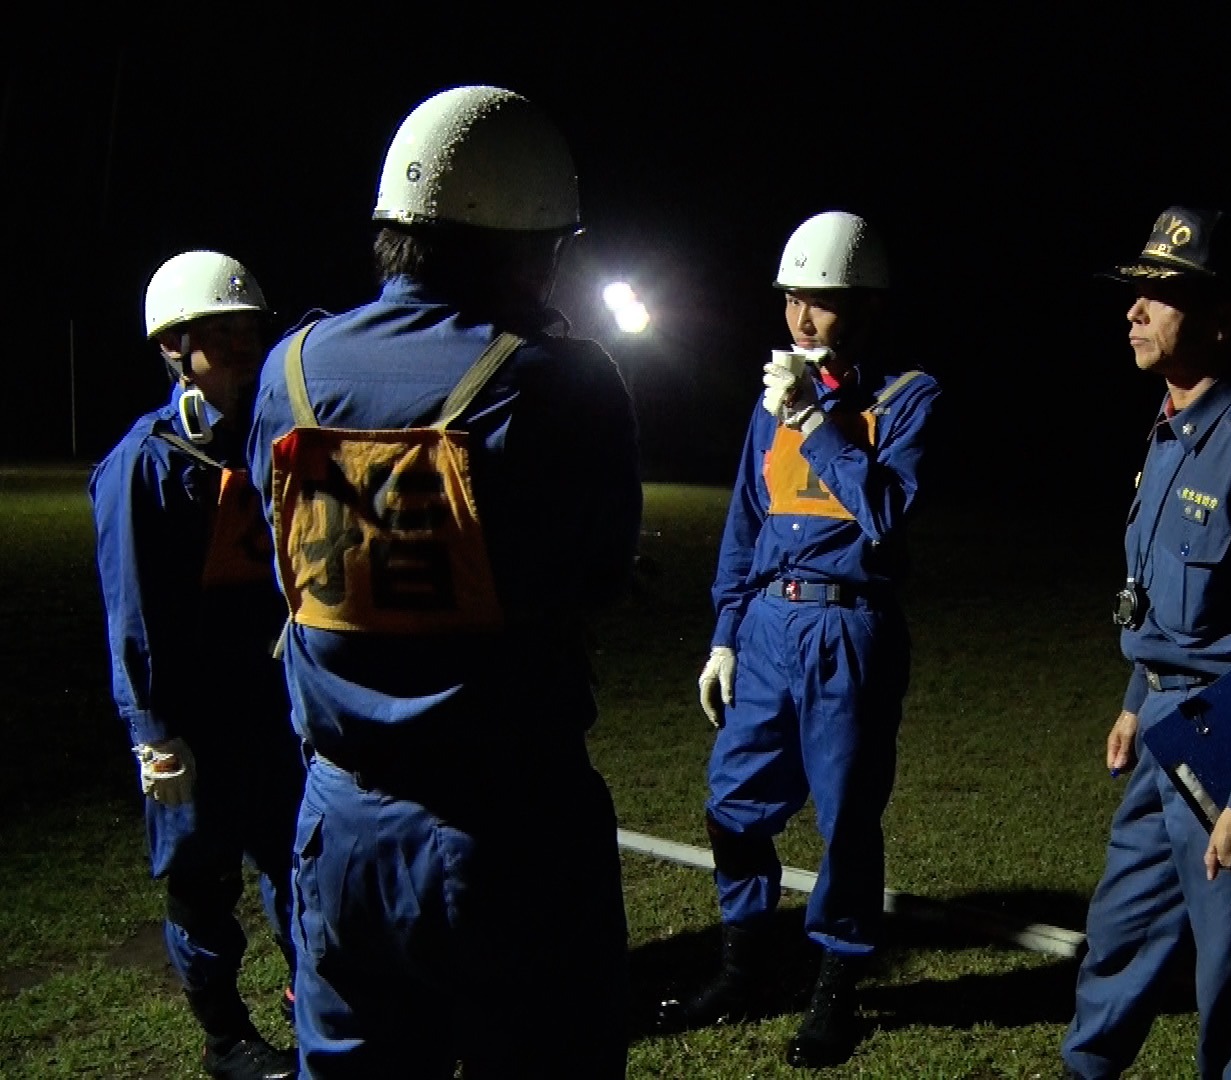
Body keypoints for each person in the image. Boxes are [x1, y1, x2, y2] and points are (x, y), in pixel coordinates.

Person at [246, 85, 641, 1078]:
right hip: (507, 830)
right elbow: (597, 572)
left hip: (338, 822)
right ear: (536, 241)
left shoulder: (289, 367)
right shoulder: (562, 380)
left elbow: (281, 554)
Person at [660, 210, 938, 1069]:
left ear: (864, 304)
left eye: (820, 302)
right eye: (792, 301)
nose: (801, 320)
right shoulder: (773, 397)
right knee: (732, 805)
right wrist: (725, 636)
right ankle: (746, 964)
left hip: (849, 626)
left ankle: (837, 984)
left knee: (848, 819)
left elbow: (887, 513)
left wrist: (818, 421)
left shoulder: (906, 396)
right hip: (773, 624)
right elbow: (747, 523)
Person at [1062, 208, 1231, 1079]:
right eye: (1135, 292)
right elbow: (1164, 606)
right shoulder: (1169, 429)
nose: (1135, 310)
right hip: (1165, 737)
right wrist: (1137, 705)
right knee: (1119, 935)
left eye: (1162, 294)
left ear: (1221, 316)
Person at [90, 250, 302, 1080]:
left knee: (298, 866)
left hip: (276, 703)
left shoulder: (277, 439)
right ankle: (225, 1037)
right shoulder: (143, 465)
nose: (248, 346)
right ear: (176, 344)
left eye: (254, 331)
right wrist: (153, 731)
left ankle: (310, 998)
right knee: (203, 883)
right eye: (226, 333)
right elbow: (133, 612)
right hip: (197, 716)